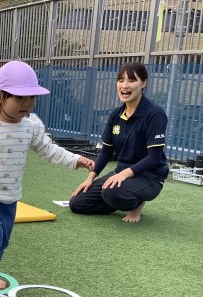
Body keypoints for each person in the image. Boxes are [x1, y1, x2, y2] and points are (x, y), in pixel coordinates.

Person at [0, 61, 95, 297]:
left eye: (31, 98)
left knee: (2, 241)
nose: (26, 103)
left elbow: (49, 150)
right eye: (19, 98)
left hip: (10, 198)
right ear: (0, 96)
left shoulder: (30, 128)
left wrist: (76, 160)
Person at [69, 62, 169, 223]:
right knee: (77, 203)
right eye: (121, 80)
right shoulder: (116, 115)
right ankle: (118, 199)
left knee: (112, 192)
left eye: (132, 80)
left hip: (149, 176)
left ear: (143, 83)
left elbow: (153, 157)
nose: (125, 85)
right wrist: (90, 178)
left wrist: (123, 175)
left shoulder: (154, 114)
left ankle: (136, 204)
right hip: (121, 174)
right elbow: (106, 151)